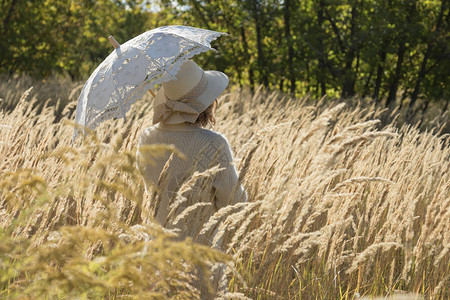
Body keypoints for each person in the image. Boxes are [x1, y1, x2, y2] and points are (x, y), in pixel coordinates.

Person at [136, 60, 246, 243]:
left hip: (154, 257)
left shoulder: (146, 138)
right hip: (198, 257)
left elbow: (154, 192)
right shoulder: (213, 144)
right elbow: (234, 203)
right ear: (207, 102)